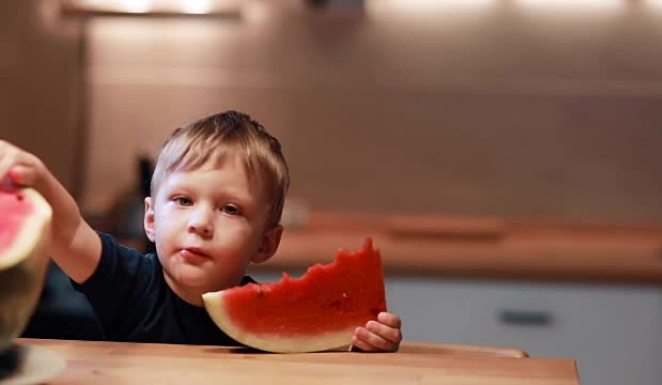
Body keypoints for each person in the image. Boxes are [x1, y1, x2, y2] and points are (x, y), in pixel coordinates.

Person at [0, 110, 402, 351]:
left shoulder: (270, 315)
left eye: (230, 209)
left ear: (265, 243)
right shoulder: (130, 286)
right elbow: (69, 232)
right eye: (183, 201)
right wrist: (36, 178)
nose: (200, 223)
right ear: (151, 220)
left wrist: (363, 341)